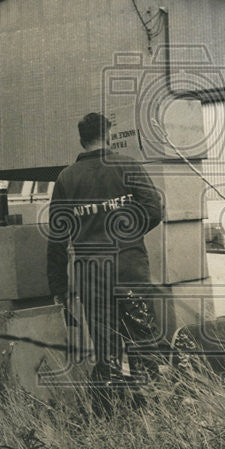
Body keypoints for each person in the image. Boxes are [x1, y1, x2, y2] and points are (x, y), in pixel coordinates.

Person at [46, 112, 164, 412]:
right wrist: (126, 236)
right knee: (142, 340)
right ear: (108, 136)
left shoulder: (66, 179)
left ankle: (111, 414)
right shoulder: (127, 166)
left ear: (82, 140)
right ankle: (148, 409)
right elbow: (153, 209)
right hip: (129, 268)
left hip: (91, 275)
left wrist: (58, 287)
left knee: (107, 347)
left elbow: (57, 240)